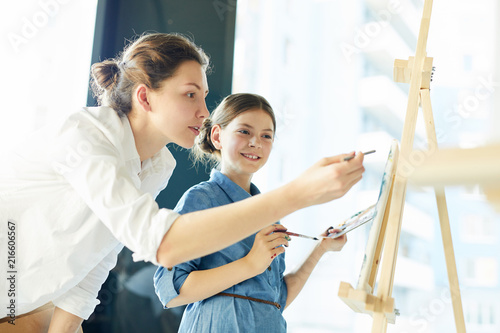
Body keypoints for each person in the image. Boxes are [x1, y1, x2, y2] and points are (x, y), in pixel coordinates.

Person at [0, 32, 364, 333]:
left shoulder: (158, 165)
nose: (204, 112)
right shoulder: (85, 136)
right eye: (191, 94)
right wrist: (299, 193)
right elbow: (163, 246)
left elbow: (94, 265)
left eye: (204, 96)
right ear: (145, 96)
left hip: (27, 301)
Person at [154, 93, 350, 332]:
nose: (256, 142)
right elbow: (172, 290)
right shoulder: (202, 199)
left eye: (266, 136)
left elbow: (274, 299)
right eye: (244, 131)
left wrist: (321, 248)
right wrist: (250, 264)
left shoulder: (269, 213)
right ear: (217, 136)